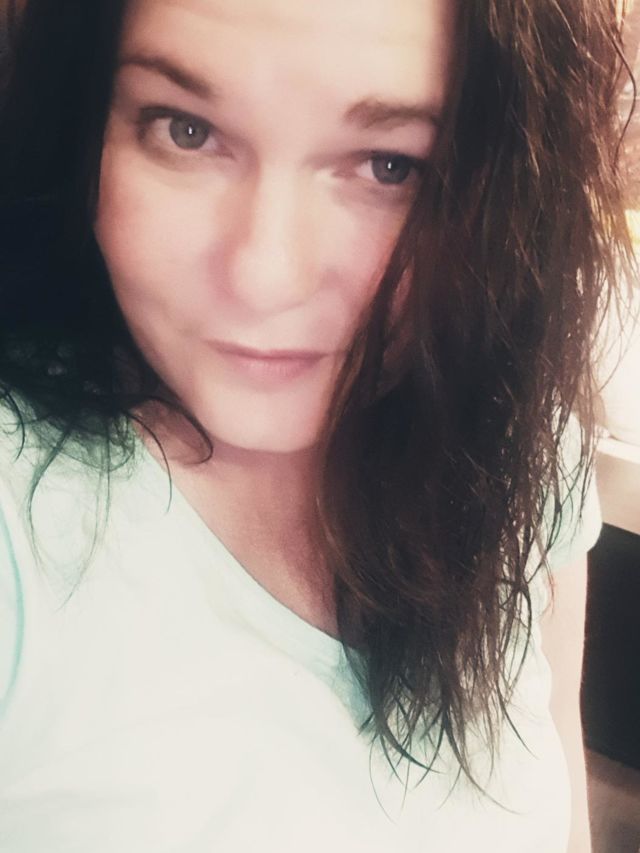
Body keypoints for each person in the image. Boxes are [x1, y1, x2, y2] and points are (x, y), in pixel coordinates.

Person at [0, 1, 633, 851]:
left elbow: (555, 744)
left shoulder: (517, 430)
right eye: (187, 131)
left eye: (389, 165)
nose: (264, 276)